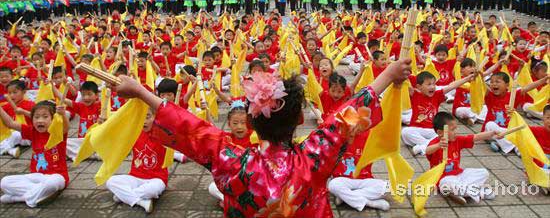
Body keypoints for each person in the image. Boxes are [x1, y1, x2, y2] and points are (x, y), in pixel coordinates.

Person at [112, 59, 411, 217]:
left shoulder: (231, 160)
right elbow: (344, 116)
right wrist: (387, 74)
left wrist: (139, 90)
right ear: (297, 120)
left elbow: (190, 127)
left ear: (252, 121)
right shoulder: (313, 156)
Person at [0, 100, 69, 207]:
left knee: (54, 182)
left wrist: (63, 115)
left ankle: (18, 198)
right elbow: (10, 123)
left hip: (56, 176)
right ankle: (40, 194)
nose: (40, 121)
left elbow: (65, 127)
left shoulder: (57, 132)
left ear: (54, 119)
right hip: (35, 176)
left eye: (45, 117)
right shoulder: (32, 131)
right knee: (4, 182)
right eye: (36, 117)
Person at [426, 112, 498, 204]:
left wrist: (492, 133)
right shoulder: (435, 143)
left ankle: (462, 192)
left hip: (459, 174)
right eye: (453, 129)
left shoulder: (457, 140)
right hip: (443, 178)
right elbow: (427, 151)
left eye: (456, 128)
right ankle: (478, 192)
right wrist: (438, 145)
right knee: (447, 184)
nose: (456, 131)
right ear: (440, 132)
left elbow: (475, 137)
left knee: (484, 173)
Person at [106, 108, 168, 214]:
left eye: (147, 117)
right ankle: (141, 202)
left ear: (155, 117)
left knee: (153, 189)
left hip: (156, 178)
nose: (144, 121)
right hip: (135, 177)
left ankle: (124, 196)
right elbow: (116, 140)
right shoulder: (133, 133)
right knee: (110, 181)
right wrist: (104, 124)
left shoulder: (162, 134)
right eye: (140, 118)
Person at [402, 71, 474, 156]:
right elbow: (404, 81)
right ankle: (428, 146)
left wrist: (467, 78)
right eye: (428, 84)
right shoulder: (415, 95)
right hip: (416, 128)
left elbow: (452, 86)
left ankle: (423, 147)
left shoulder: (437, 95)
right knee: (405, 132)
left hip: (433, 130)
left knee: (444, 135)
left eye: (434, 84)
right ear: (419, 87)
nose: (432, 87)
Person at [207, 100, 256, 207]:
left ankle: (232, 202)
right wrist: (206, 112)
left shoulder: (255, 137)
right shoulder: (228, 139)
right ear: (229, 124)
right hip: (234, 180)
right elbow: (213, 130)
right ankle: (234, 202)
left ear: (249, 123)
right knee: (212, 187)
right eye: (235, 123)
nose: (239, 126)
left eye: (243, 123)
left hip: (251, 180)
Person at [328, 130, 390, 211]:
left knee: (388, 187)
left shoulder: (370, 135)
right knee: (333, 185)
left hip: (364, 179)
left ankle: (345, 198)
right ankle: (370, 203)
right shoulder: (334, 136)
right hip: (343, 179)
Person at [63, 81, 101, 161]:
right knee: (64, 143)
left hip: (95, 140)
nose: (86, 98)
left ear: (96, 95)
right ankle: (89, 154)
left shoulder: (101, 106)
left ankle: (85, 154)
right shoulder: (81, 107)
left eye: (89, 94)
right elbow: (63, 99)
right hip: (82, 142)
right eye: (83, 95)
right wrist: (51, 85)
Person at [0, 80, 34, 157]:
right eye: (9, 93)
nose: (11, 95)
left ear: (24, 92)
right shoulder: (6, 106)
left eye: (15, 92)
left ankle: (8, 149)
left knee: (15, 135)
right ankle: (10, 150)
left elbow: (37, 118)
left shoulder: (30, 105)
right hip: (11, 133)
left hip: (27, 134)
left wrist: (24, 112)